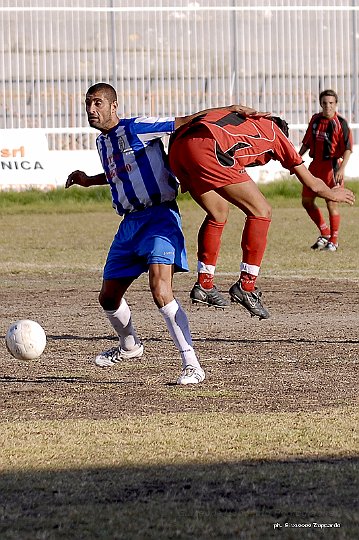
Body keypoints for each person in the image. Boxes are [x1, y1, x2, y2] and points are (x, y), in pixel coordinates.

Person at [65, 82, 259, 385]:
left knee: (160, 289)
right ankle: (130, 347)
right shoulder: (102, 144)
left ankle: (192, 363)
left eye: (98, 103)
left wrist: (230, 110)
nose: (91, 110)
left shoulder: (140, 127)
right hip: (129, 225)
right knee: (108, 297)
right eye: (88, 104)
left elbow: (187, 120)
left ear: (114, 106)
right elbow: (121, 171)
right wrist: (90, 180)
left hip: (159, 217)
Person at [168, 109, 356, 318]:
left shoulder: (243, 117)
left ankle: (204, 284)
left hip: (178, 147)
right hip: (211, 147)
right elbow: (312, 183)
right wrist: (332, 192)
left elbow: (200, 117)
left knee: (218, 212)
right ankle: (246, 286)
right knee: (261, 211)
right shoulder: (276, 134)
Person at [298, 89, 353, 252]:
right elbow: (307, 143)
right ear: (321, 104)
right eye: (324, 103)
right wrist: (295, 161)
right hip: (315, 166)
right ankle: (325, 233)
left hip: (332, 167)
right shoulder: (315, 120)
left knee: (331, 203)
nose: (328, 106)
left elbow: (348, 149)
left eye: (331, 103)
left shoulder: (340, 123)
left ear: (336, 104)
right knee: (306, 202)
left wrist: (342, 169)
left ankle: (334, 241)